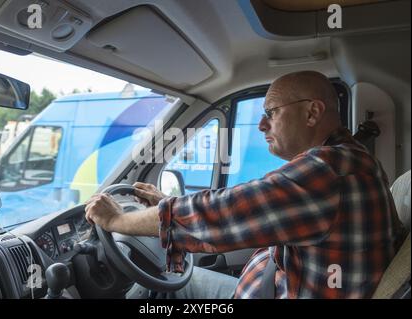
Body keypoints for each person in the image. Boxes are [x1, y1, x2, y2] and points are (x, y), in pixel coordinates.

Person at [85, 71, 405, 298]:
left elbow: (225, 212)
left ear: (312, 112)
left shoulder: (328, 170)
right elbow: (251, 209)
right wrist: (168, 204)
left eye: (271, 113)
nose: (261, 124)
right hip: (271, 285)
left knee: (160, 288)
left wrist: (117, 220)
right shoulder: (352, 161)